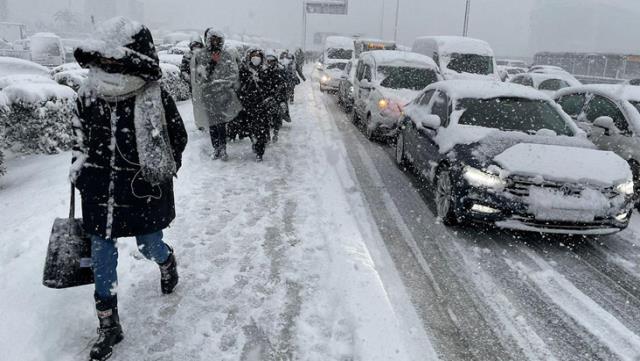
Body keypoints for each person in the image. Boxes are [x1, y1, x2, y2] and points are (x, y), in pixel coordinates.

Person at [71, 17, 188, 361]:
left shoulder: (153, 95)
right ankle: (108, 324)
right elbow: (78, 138)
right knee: (102, 255)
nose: (106, 65)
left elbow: (176, 139)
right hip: (99, 191)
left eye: (113, 59)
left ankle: (167, 261)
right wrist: (80, 171)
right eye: (102, 59)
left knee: (149, 244)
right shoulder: (88, 93)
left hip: (141, 190)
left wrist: (158, 171)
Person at [191, 29, 243, 161]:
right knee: (212, 124)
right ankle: (216, 148)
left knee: (221, 123)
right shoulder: (201, 56)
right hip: (208, 95)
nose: (215, 42)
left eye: (217, 40)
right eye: (212, 39)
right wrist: (212, 63)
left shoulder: (226, 55)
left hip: (223, 95)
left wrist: (224, 83)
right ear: (208, 40)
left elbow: (233, 74)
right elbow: (200, 77)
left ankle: (223, 149)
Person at [238, 49, 274, 162]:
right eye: (253, 56)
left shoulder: (267, 71)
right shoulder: (244, 70)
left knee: (261, 129)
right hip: (248, 105)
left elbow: (271, 87)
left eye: (257, 56)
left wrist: (268, 98)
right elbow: (239, 86)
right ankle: (254, 141)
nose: (255, 58)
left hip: (262, 105)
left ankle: (260, 151)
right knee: (250, 128)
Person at [264, 53, 289, 143]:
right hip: (266, 98)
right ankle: (267, 135)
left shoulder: (281, 70)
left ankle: (275, 133)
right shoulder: (263, 71)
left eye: (272, 61)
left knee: (277, 117)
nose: (270, 63)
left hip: (277, 98)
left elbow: (284, 85)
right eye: (268, 61)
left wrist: (282, 100)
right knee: (265, 119)